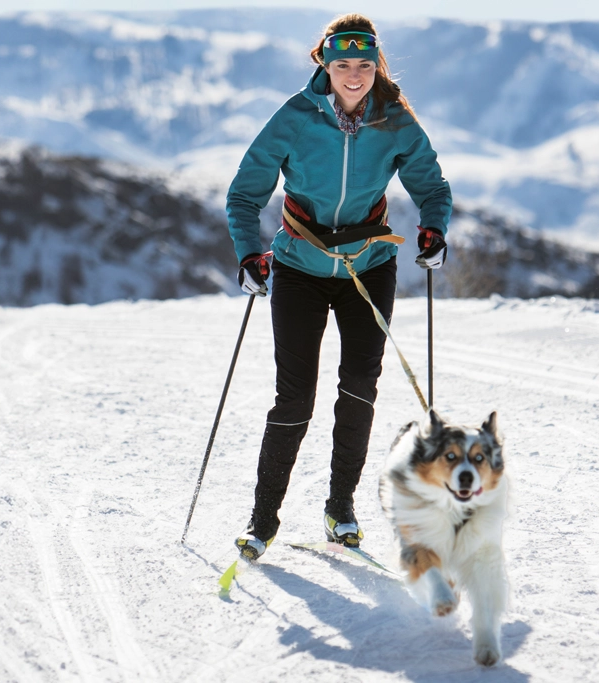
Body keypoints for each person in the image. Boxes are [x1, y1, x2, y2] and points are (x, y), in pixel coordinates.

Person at [226, 13, 452, 560]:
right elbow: (244, 194)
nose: (354, 75)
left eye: (365, 65)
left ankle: (340, 509)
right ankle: (263, 519)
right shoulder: (296, 117)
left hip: (368, 266)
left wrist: (433, 229)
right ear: (324, 64)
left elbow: (432, 186)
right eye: (343, 64)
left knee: (358, 388)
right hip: (301, 267)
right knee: (295, 396)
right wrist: (249, 253)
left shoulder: (394, 120)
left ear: (377, 67)